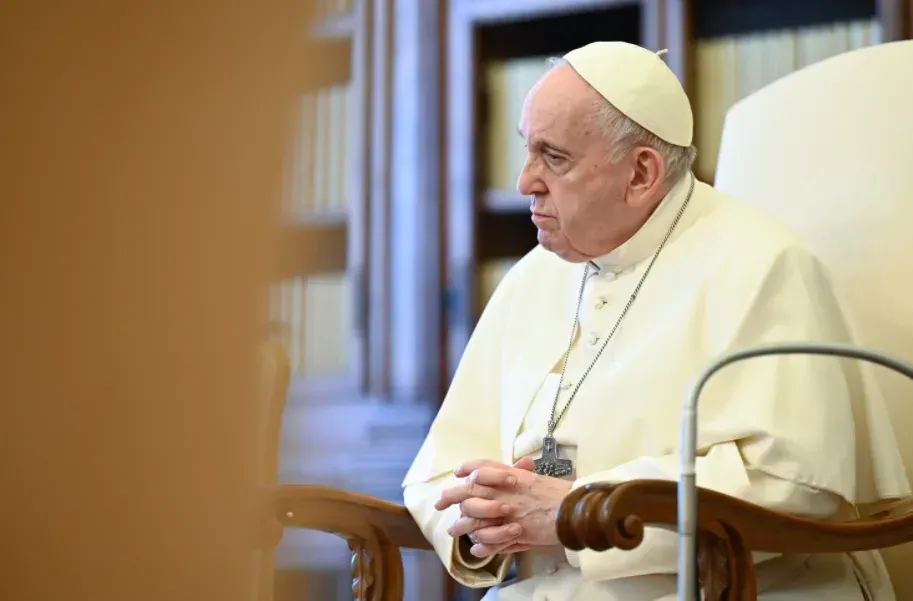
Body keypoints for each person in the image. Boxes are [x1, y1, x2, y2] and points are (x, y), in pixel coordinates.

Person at [401, 41, 910, 601]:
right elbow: (436, 472)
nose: (525, 181)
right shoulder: (533, 278)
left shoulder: (761, 263)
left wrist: (577, 512)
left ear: (641, 173)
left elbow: (795, 482)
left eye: (554, 157)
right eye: (527, 150)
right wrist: (483, 521)